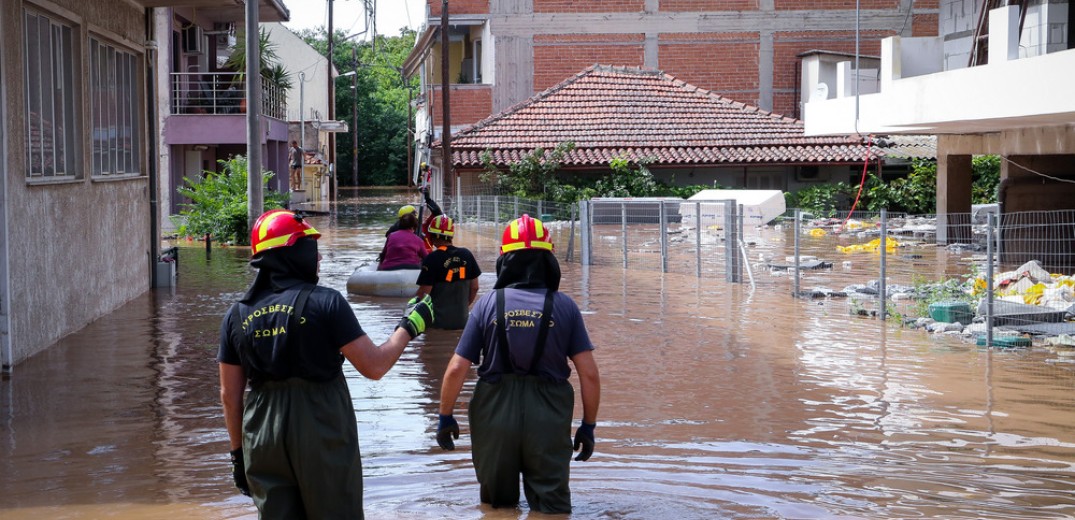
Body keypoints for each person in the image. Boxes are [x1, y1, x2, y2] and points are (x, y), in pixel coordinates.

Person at [218, 208, 433, 519]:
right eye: (312, 249)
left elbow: (229, 395)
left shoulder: (236, 315)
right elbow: (374, 366)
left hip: (262, 433)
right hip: (321, 425)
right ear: (294, 253)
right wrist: (408, 327)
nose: (318, 259)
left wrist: (238, 456)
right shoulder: (326, 302)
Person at [435, 214, 601, 514]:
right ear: (548, 259)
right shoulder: (565, 306)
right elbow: (589, 374)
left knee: (497, 506)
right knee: (553, 507)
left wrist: (445, 415)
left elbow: (457, 368)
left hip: (494, 413)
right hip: (548, 417)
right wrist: (588, 426)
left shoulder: (487, 304)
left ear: (505, 260)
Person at [413, 215, 482, 330]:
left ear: (432, 236)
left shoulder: (431, 259)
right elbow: (475, 287)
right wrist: (463, 308)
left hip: (437, 324)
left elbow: (423, 294)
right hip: (463, 322)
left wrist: (411, 308)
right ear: (451, 235)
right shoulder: (467, 254)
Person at [377, 206, 428, 271]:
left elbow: (383, 255)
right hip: (412, 267)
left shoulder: (391, 236)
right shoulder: (418, 240)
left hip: (389, 267)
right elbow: (426, 258)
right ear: (413, 226)